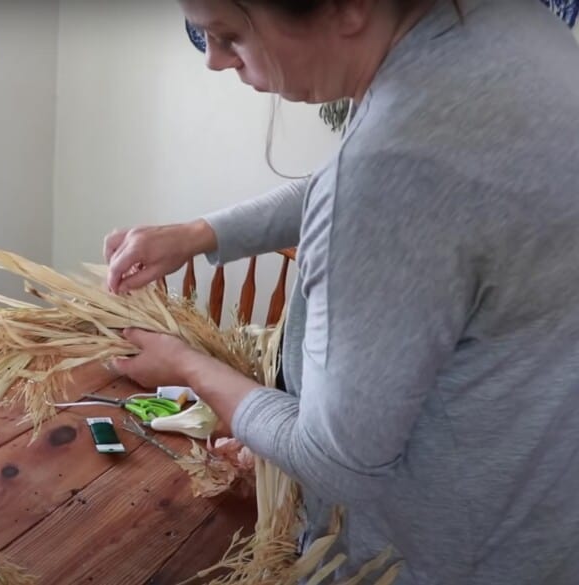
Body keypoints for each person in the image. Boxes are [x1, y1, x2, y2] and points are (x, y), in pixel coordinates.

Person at [102, 0, 579, 583]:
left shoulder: (395, 164)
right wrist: (202, 234)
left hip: (427, 558)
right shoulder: (506, 25)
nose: (215, 62)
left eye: (229, 36)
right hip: (540, 520)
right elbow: (382, 185)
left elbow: (336, 462)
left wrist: (185, 364)